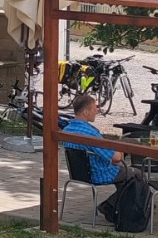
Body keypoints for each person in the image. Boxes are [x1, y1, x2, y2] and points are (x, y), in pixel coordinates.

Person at [58, 93, 137, 221]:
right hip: (100, 173)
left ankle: (121, 208)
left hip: (78, 173)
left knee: (126, 178)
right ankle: (111, 206)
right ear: (86, 112)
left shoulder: (67, 130)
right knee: (136, 175)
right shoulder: (90, 134)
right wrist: (121, 147)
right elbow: (116, 158)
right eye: (95, 108)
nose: (97, 111)